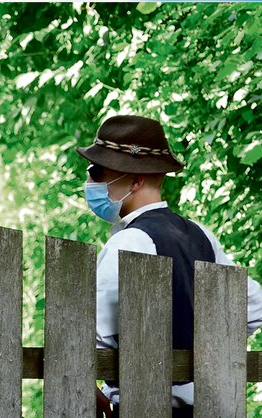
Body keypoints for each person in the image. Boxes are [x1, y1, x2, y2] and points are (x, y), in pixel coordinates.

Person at [76, 115, 262, 417]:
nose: (89, 182)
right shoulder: (201, 235)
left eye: (97, 172)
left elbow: (87, 339)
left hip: (143, 407)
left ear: (135, 180)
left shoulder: (128, 243)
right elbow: (253, 309)